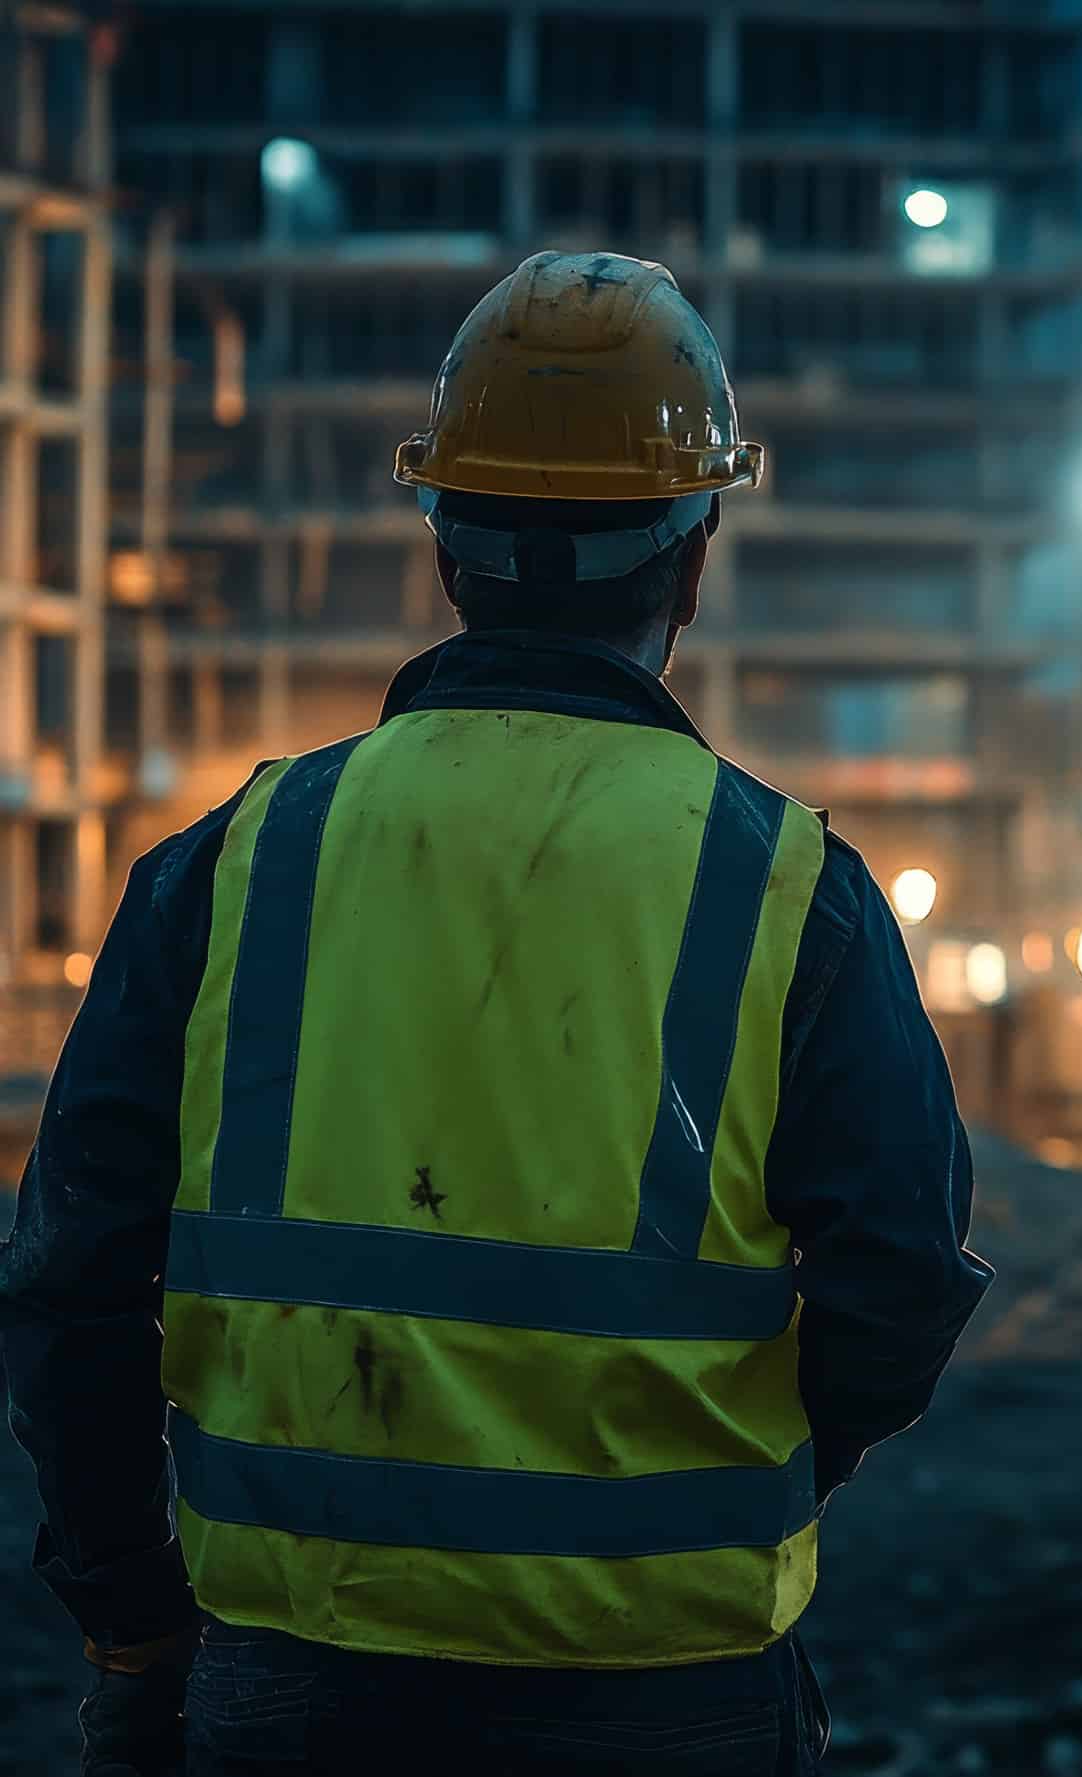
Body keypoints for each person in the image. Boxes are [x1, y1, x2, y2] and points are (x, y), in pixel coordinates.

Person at [0, 251, 992, 1776]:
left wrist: (138, 1625)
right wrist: (736, 1475)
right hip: (669, 1693)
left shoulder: (234, 865)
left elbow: (71, 1281)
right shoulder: (791, 890)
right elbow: (901, 1285)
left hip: (291, 1686)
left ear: (444, 547)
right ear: (694, 554)